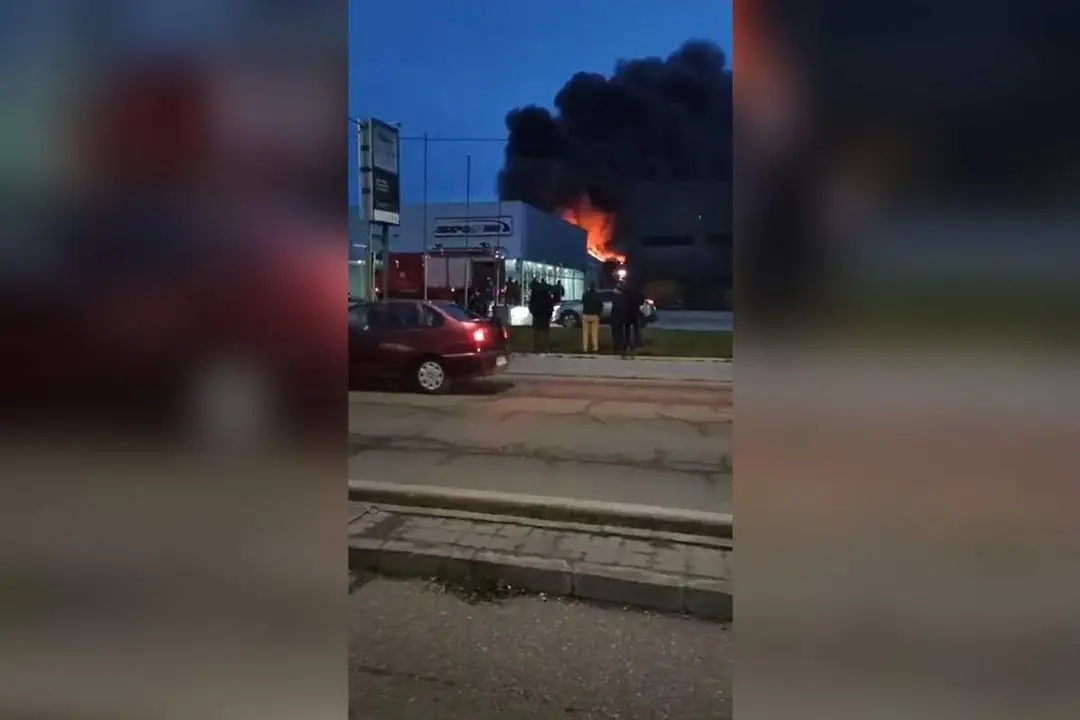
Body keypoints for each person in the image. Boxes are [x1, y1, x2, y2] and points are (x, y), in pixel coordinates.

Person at [528, 282, 553, 353]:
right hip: (545, 317)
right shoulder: (548, 297)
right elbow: (550, 308)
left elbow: (531, 306)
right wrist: (549, 315)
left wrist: (534, 313)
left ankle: (536, 347)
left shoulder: (536, 297)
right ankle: (545, 348)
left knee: (537, 333)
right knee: (545, 333)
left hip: (537, 316)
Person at [581, 281, 603, 353]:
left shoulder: (585, 294)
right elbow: (600, 305)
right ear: (594, 287)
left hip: (586, 315)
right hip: (594, 315)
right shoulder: (597, 295)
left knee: (585, 332)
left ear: (589, 286)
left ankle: (585, 348)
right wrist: (599, 313)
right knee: (595, 332)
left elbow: (583, 302)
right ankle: (595, 348)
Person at [609, 284, 628, 356]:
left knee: (616, 333)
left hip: (616, 319)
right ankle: (620, 346)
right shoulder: (623, 298)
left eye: (616, 289)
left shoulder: (618, 299)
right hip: (620, 319)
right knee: (620, 333)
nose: (614, 290)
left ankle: (617, 346)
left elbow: (615, 309)